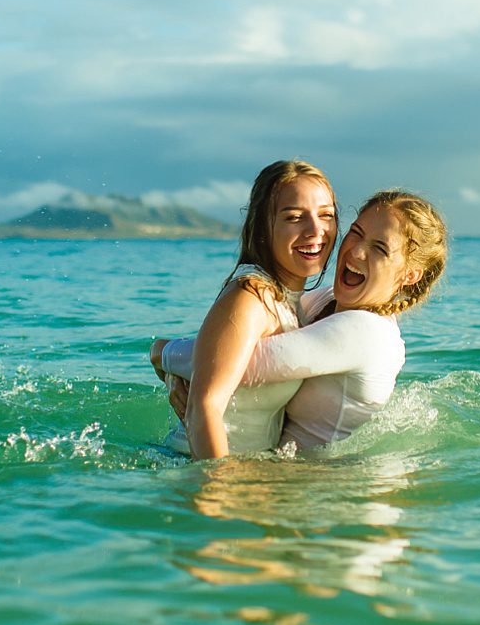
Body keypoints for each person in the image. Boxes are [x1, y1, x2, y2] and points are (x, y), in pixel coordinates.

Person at [154, 190, 447, 454]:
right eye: (356, 233)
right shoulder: (327, 300)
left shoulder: (367, 332)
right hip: (282, 479)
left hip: (316, 493)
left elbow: (236, 365)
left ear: (410, 275)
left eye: (380, 248)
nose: (357, 251)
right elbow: (230, 346)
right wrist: (180, 382)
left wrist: (161, 351)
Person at [149, 159, 338, 459]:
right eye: (294, 217)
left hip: (247, 476)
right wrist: (220, 494)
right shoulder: (250, 296)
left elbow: (192, 354)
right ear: (264, 225)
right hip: (194, 469)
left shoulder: (289, 304)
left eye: (326, 215)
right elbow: (205, 407)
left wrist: (168, 365)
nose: (316, 230)